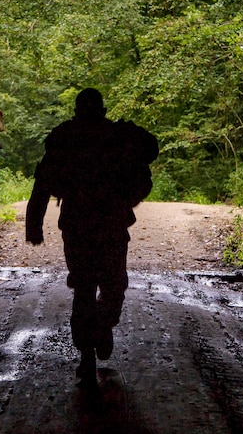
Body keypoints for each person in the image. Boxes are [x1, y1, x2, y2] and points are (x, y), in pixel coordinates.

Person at [25, 88, 158, 388]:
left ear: (77, 109)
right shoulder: (117, 137)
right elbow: (147, 157)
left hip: (77, 226)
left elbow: (43, 182)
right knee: (113, 286)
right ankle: (100, 329)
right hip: (111, 224)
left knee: (84, 287)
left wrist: (33, 225)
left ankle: (87, 350)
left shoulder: (65, 138)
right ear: (102, 108)